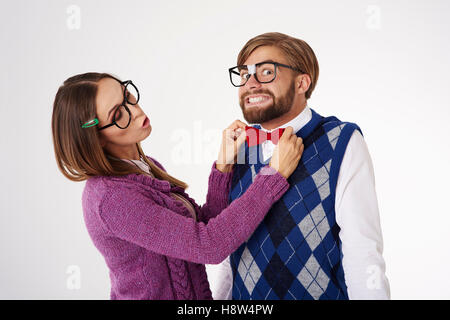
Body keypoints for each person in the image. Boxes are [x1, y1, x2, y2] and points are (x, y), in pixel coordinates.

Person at [51, 72, 304, 300]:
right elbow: (209, 246)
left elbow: (201, 228)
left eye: (127, 95)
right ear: (95, 138)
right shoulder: (111, 198)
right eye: (118, 114)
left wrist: (223, 166)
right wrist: (273, 177)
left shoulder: (145, 167)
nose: (136, 110)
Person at [215, 32, 390, 300]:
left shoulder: (341, 141)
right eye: (244, 74)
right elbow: (227, 252)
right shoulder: (237, 148)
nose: (250, 83)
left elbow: (363, 252)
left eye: (266, 72)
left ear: (301, 82)